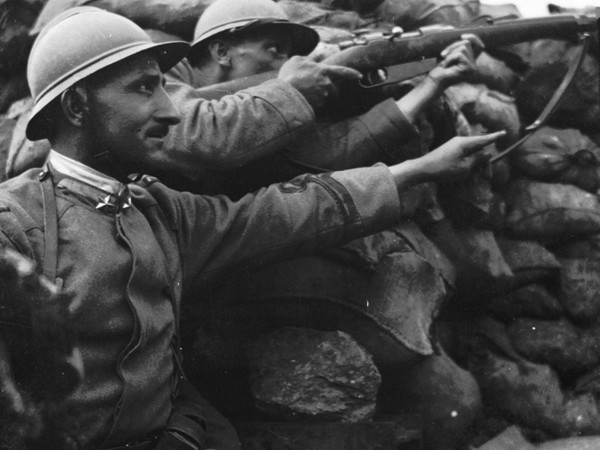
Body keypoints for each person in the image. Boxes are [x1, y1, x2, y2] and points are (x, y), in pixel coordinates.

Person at [0, 6, 503, 450]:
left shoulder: (158, 209)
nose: (170, 110)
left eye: (162, 85)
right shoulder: (14, 224)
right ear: (75, 107)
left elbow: (279, 212)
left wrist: (421, 169)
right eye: (142, 89)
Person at [159, 0, 485, 196]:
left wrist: (434, 83)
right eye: (273, 50)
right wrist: (289, 90)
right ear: (221, 51)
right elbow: (191, 131)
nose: (285, 64)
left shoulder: (260, 119)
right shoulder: (158, 73)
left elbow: (325, 154)